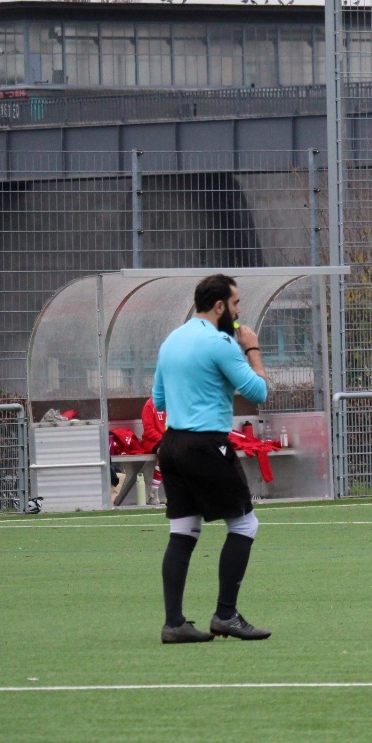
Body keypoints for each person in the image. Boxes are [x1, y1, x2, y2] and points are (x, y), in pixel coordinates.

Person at [151, 272, 272, 644]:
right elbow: (259, 391)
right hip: (206, 445)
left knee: (183, 531)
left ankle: (174, 623)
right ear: (220, 306)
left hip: (172, 446)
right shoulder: (222, 343)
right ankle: (226, 615)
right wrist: (252, 349)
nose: (238, 313)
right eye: (235, 304)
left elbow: (159, 400)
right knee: (244, 525)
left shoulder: (172, 340)